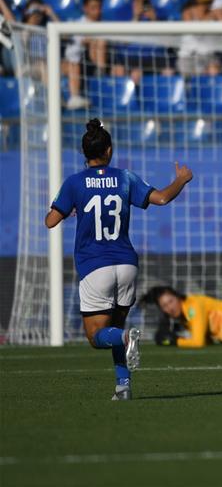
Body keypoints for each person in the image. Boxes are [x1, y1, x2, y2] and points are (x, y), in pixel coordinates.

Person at [44, 119, 193, 400]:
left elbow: (50, 221)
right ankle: (123, 386)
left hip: (94, 266)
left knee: (97, 336)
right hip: (126, 264)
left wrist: (65, 206)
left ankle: (126, 340)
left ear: (84, 152)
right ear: (109, 150)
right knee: (115, 327)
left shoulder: (74, 182)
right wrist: (181, 179)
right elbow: (161, 199)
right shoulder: (125, 177)